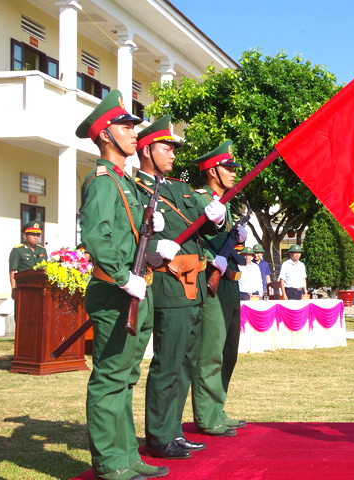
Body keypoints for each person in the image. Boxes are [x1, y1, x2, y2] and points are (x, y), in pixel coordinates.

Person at [76, 90, 168, 480]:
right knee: (110, 378)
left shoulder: (125, 182)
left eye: (133, 126)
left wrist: (154, 248)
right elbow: (97, 238)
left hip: (134, 290)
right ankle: (110, 462)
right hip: (115, 292)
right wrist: (122, 277)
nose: (134, 132)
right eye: (125, 126)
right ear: (104, 135)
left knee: (127, 378)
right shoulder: (102, 182)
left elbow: (130, 238)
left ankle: (127, 455)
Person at [133, 116, 226, 461]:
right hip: (168, 286)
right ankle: (158, 435)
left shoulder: (178, 189)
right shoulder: (134, 189)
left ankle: (172, 430)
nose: (172, 154)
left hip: (195, 286)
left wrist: (218, 217)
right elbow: (137, 237)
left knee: (186, 362)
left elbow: (211, 228)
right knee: (168, 362)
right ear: (146, 150)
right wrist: (158, 244)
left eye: (173, 148)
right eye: (165, 147)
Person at [190, 140, 247, 438]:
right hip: (211, 283)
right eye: (228, 168)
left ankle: (218, 407)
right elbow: (196, 241)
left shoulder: (228, 204)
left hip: (231, 283)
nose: (234, 173)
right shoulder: (201, 201)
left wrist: (238, 237)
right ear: (213, 171)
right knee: (210, 352)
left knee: (229, 351)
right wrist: (215, 260)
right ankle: (206, 415)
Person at [9, 221, 47, 298]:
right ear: (25, 236)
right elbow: (13, 271)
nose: (36, 237)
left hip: (40, 287)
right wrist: (13, 289)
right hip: (24, 287)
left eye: (38, 235)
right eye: (33, 235)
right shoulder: (18, 250)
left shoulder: (42, 250)